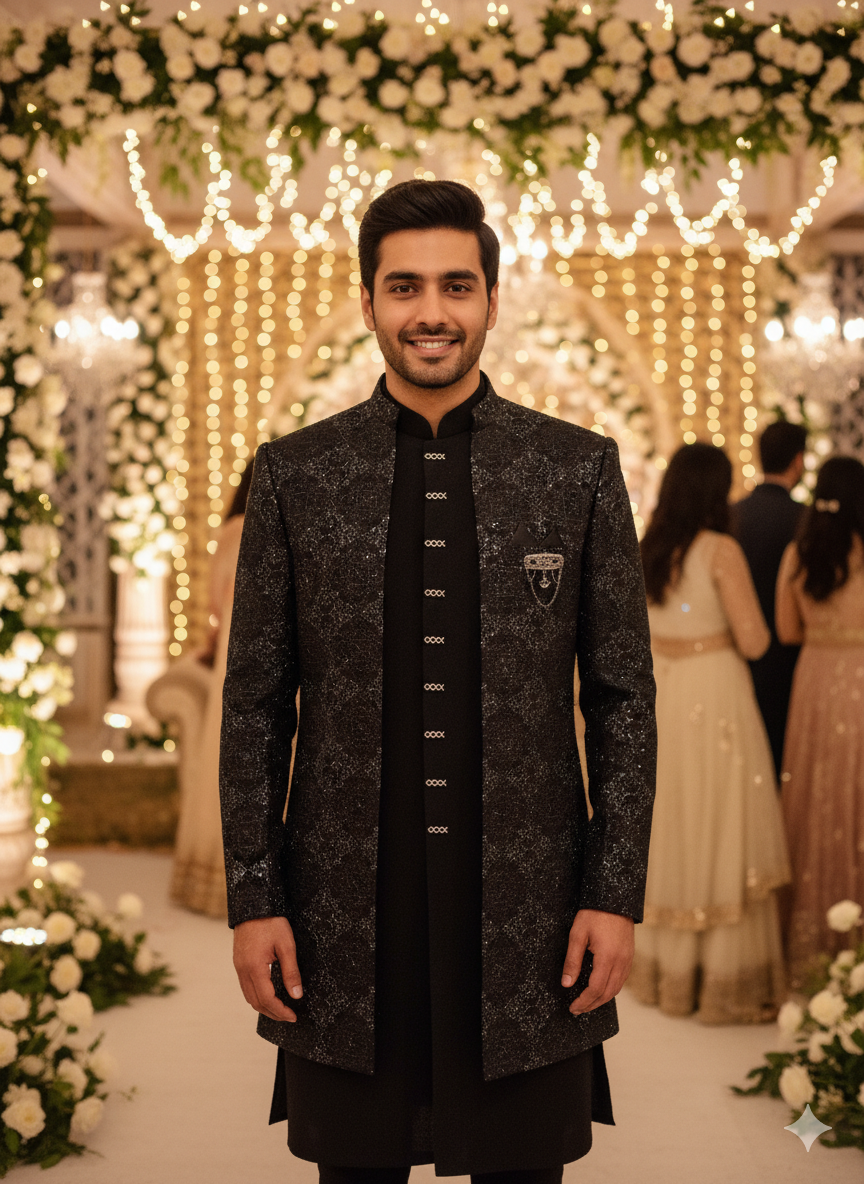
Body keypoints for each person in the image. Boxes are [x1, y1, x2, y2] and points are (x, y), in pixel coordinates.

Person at [220, 180, 657, 1183]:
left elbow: (623, 699)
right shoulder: (296, 473)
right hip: (342, 905)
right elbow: (252, 704)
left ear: (492, 301)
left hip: (530, 904)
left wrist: (614, 892)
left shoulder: (575, 468)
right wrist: (255, 897)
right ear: (369, 300)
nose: (432, 311)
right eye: (405, 285)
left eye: (457, 285)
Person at [630, 443, 790, 1023]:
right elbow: (754, 641)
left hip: (665, 691)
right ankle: (718, 979)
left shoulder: (649, 548)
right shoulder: (721, 550)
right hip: (714, 692)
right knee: (719, 820)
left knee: (672, 820)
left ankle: (662, 974)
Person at [775, 455, 864, 984]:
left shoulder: (800, 552)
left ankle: (817, 944)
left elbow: (786, 631)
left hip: (814, 682)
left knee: (819, 799)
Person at [170, 464, 253, 918]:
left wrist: (211, 644)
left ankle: (206, 879)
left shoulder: (229, 533)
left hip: (230, 654)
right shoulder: (274, 526)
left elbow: (216, 608)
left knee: (223, 763)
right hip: (265, 650)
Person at [732, 420, 807, 779]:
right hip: (794, 656)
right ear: (799, 461)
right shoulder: (806, 521)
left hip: (737, 653)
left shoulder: (732, 514)